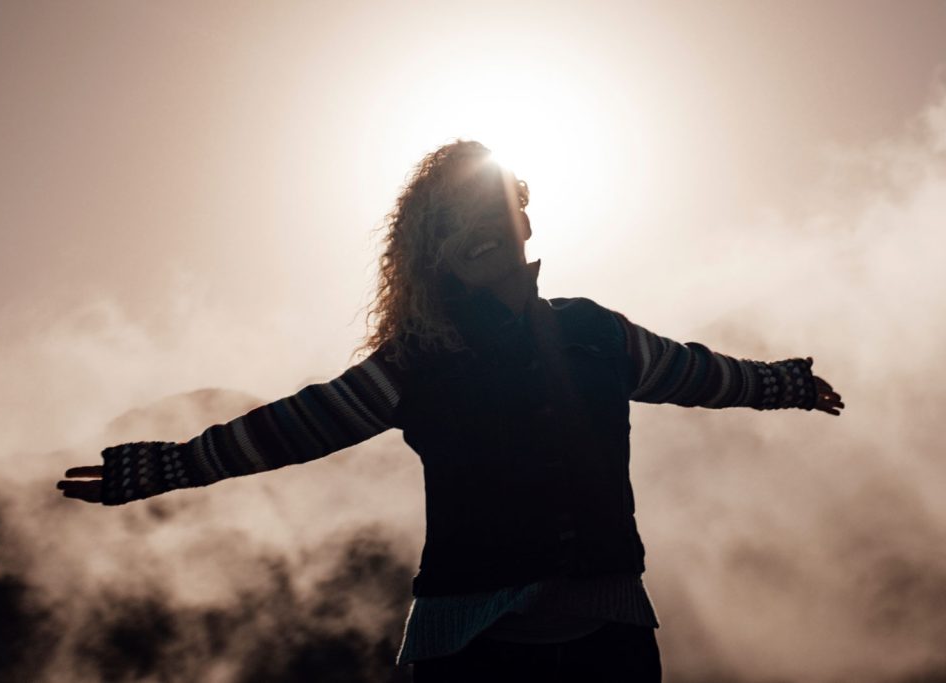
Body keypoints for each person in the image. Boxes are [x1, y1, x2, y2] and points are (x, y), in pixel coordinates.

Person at [58, 140, 844, 682]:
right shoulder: (418, 362)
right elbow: (296, 426)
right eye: (456, 223)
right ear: (433, 253)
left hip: (612, 641)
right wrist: (165, 463)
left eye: (493, 210)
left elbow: (697, 373)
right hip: (473, 649)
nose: (481, 231)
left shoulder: (595, 332)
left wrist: (783, 383)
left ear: (523, 223)